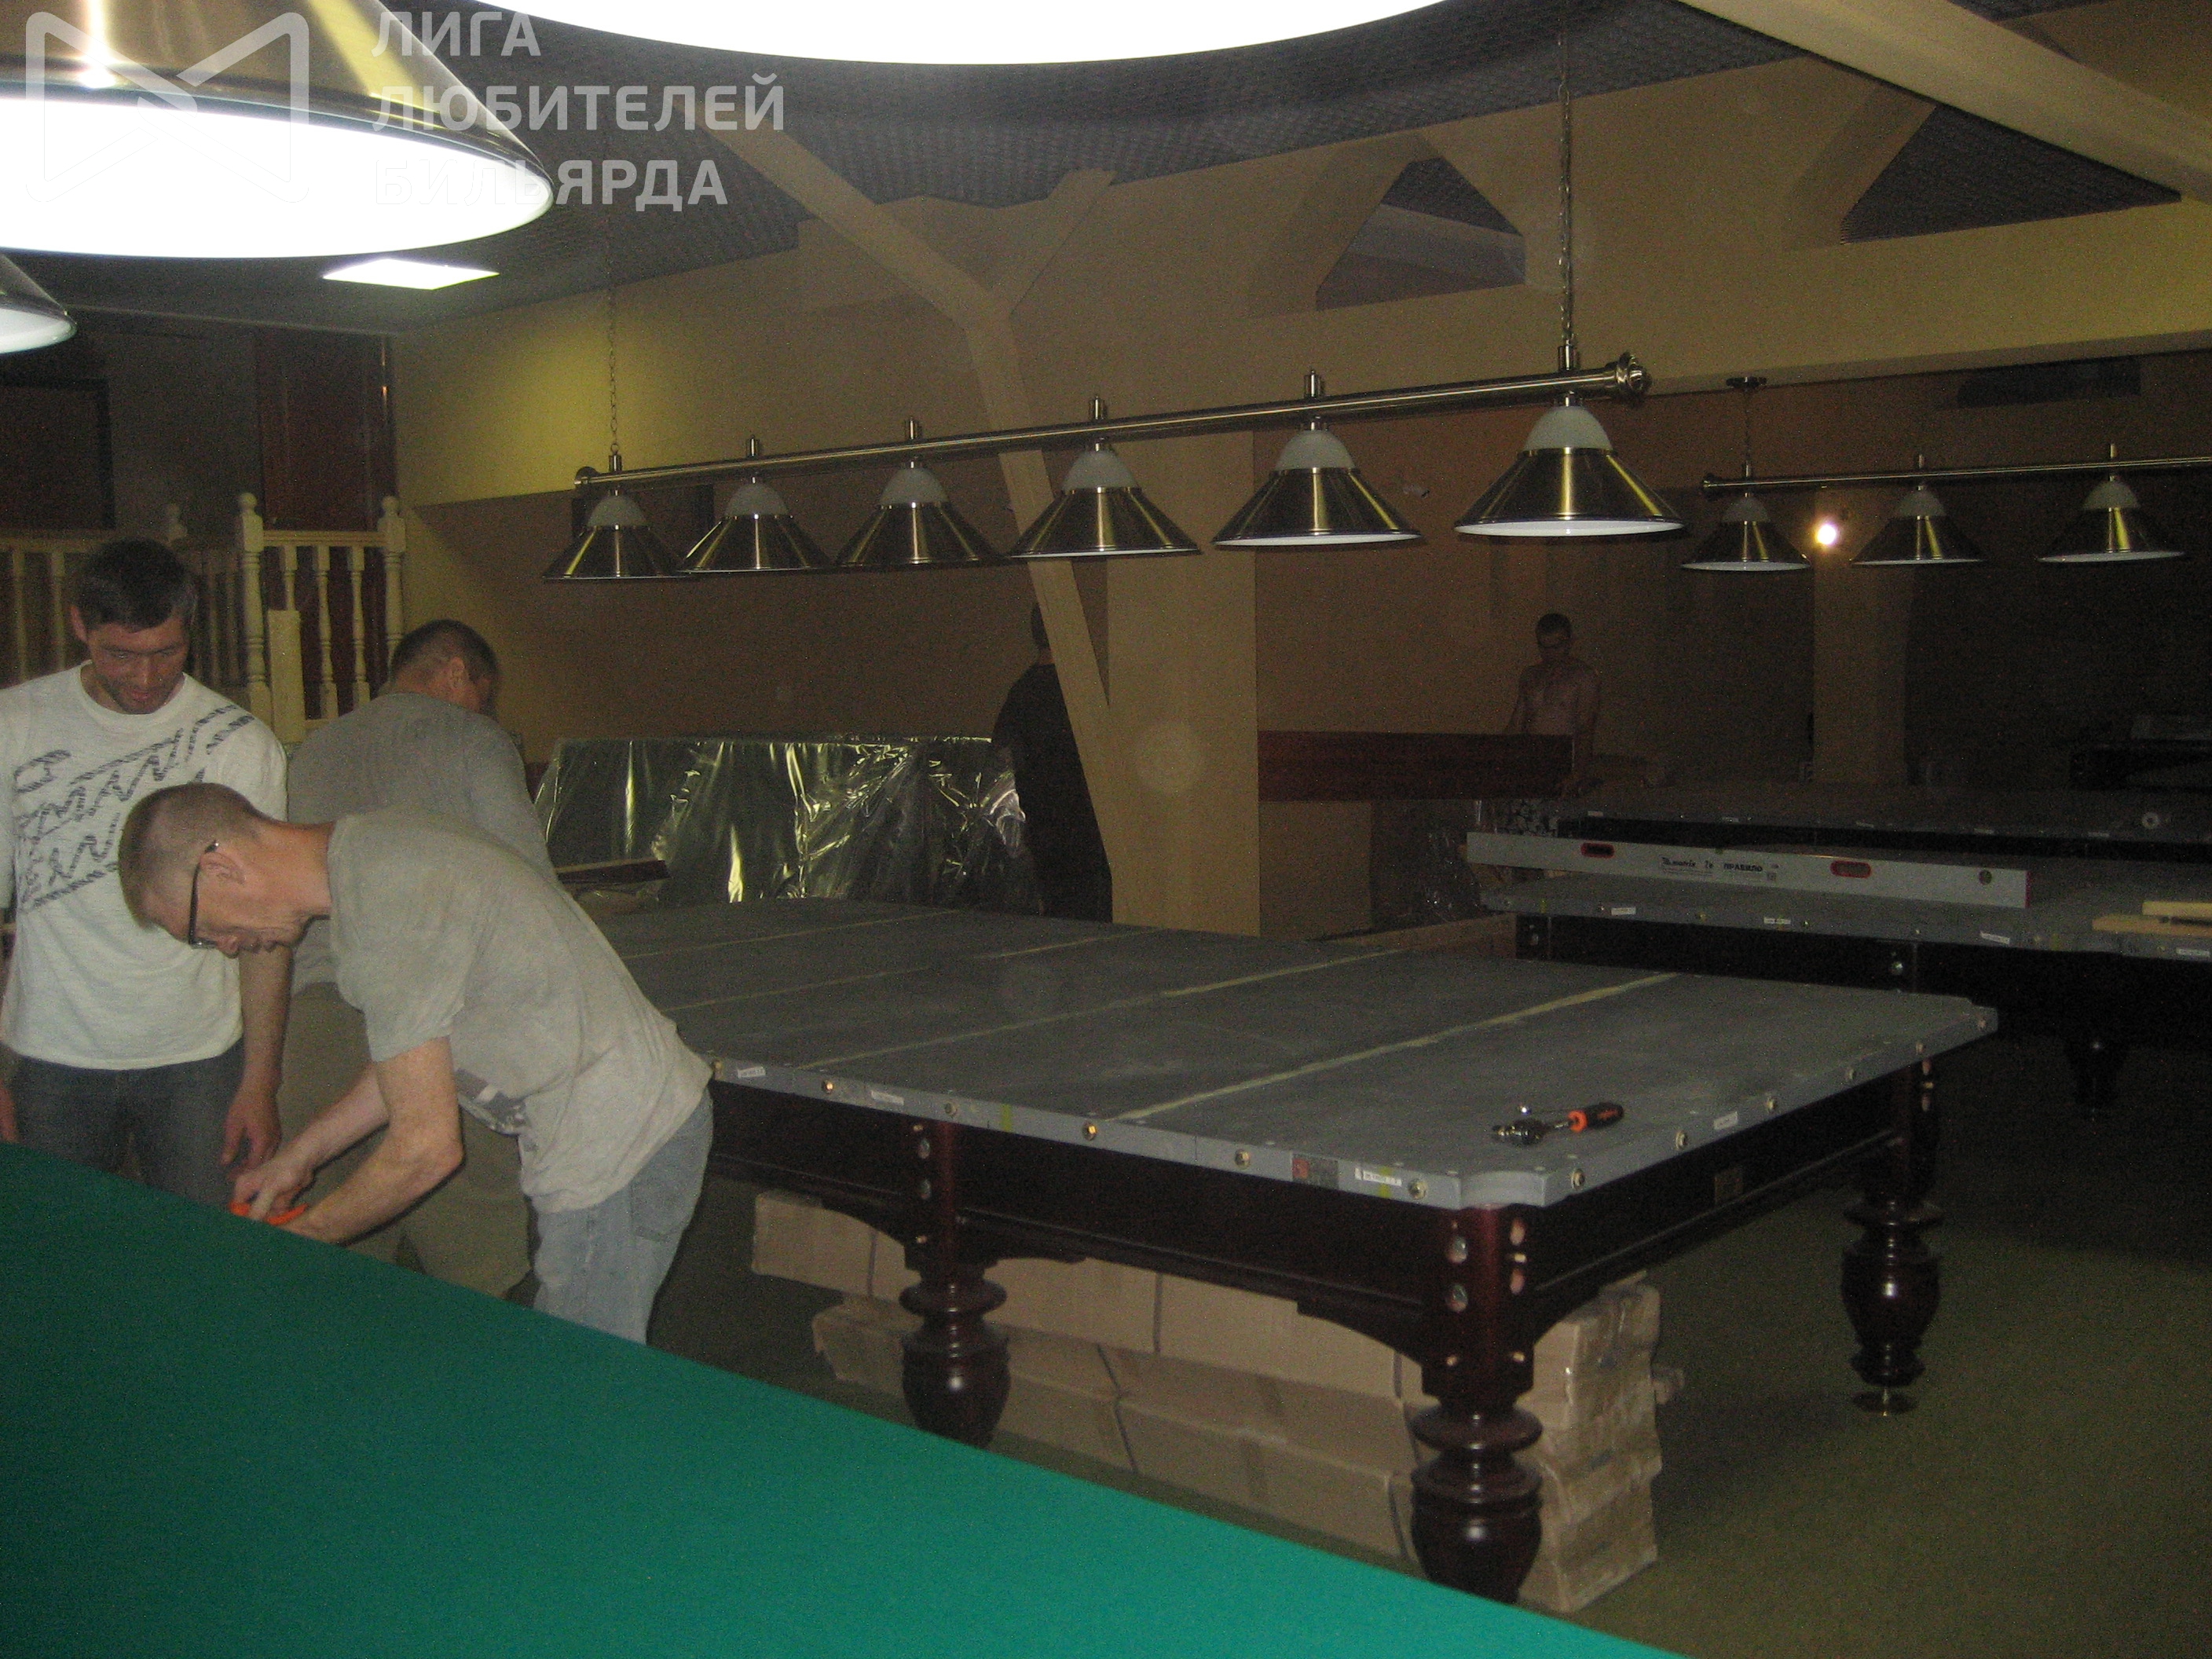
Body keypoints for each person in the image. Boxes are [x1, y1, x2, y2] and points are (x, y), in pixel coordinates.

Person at [117, 783, 711, 1343]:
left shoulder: (386, 906)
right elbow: (410, 1066)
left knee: (584, 1373)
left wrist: (303, 1237)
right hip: (630, 1115)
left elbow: (426, 1148)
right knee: (586, 1360)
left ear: (221, 870)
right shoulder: (377, 851)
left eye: (201, 930)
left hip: (619, 1142)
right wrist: (303, 1155)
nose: (225, 947)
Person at [0, 540, 287, 1203]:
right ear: (80, 625)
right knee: (58, 1245)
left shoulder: (238, 744)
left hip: (198, 1059)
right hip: (51, 1056)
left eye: (167, 652)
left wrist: (261, 1081)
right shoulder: (16, 725)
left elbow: (267, 934)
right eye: (121, 655)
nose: (146, 677)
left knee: (204, 1245)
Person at [277, 620, 551, 1297]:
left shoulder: (312, 750)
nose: (485, 709)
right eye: (484, 693)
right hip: (439, 1024)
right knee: (480, 1265)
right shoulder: (474, 739)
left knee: (338, 1260)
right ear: (457, 674)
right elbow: (530, 886)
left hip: (315, 1020)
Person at [993, 604, 1111, 921]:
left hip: (1042, 822)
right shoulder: (1077, 690)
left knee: (1059, 910)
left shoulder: (1022, 690)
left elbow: (1002, 752)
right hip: (1083, 822)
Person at [1506, 612, 1602, 795]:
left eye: (1556, 647)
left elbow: (1585, 729)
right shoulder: (1530, 675)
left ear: (1570, 642)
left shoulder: (1584, 677)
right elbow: (1516, 724)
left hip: (1562, 762)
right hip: (1530, 761)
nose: (1549, 654)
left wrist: (1578, 773)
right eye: (1544, 647)